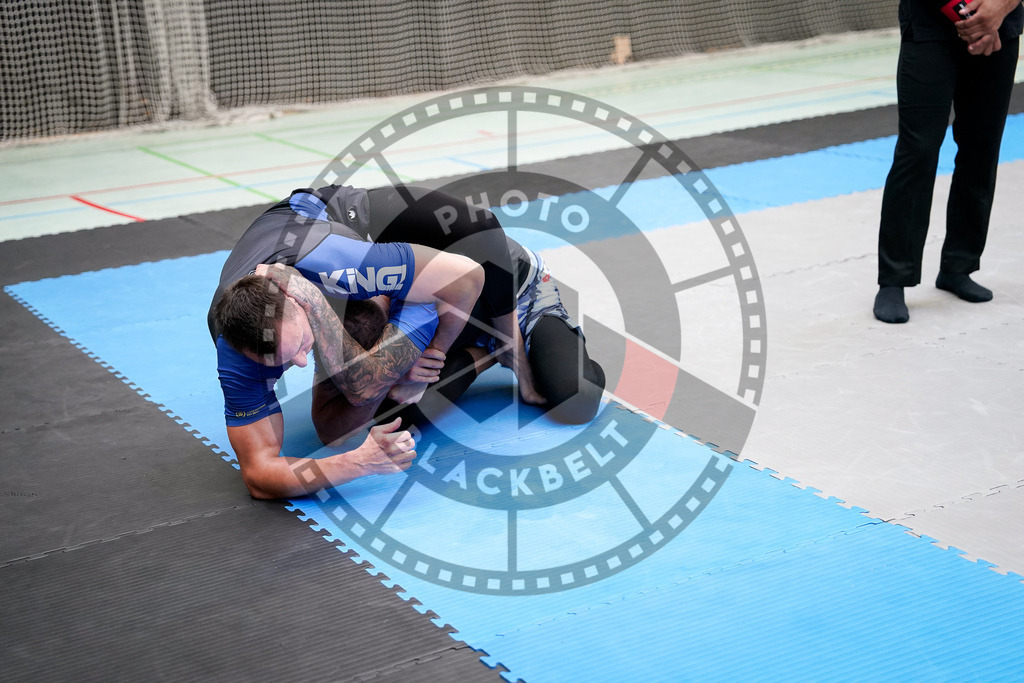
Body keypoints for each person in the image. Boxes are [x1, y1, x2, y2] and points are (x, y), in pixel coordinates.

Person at [208, 183, 543, 499]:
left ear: (302, 302)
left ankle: (510, 346)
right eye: (281, 359)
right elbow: (259, 475)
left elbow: (467, 276)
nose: (300, 362)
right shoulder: (237, 352)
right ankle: (480, 348)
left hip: (339, 220)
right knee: (373, 408)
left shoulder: (349, 269)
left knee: (480, 226)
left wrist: (433, 353)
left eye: (298, 346)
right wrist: (357, 462)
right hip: (319, 278)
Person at [874, 0, 1023, 324]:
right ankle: (894, 278)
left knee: (982, 148)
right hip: (931, 27)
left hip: (1000, 27)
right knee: (918, 151)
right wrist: (973, 18)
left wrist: (997, 10)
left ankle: (959, 265)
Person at [363, 236, 606, 430]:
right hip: (456, 318)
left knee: (577, 402)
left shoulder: (406, 259)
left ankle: (551, 352)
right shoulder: (366, 307)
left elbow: (492, 272)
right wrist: (405, 366)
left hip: (518, 292)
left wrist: (522, 363)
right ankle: (486, 353)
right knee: (394, 418)